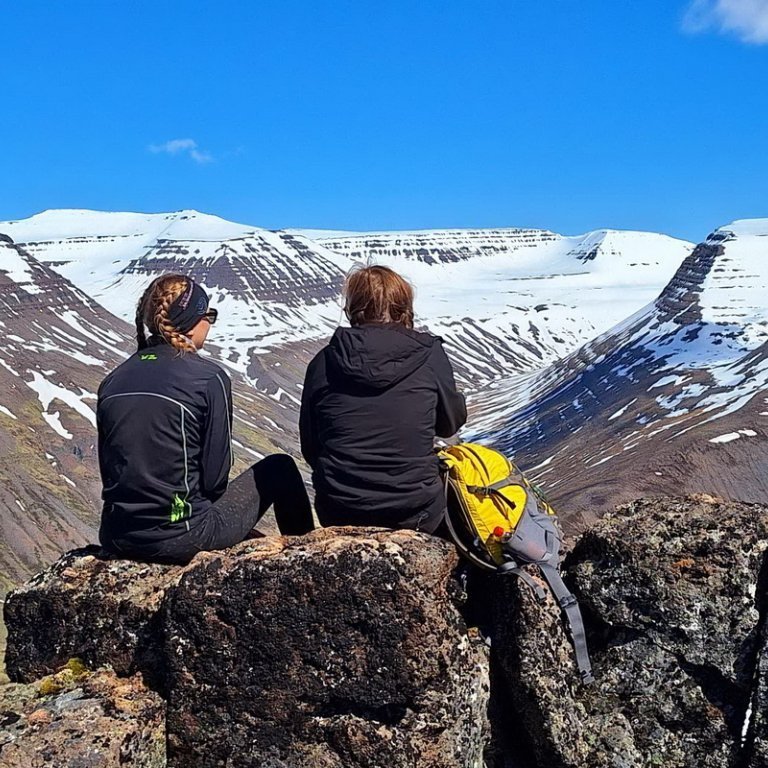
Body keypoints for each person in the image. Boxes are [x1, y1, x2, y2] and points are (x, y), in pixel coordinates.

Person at [97, 273, 313, 564]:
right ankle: (304, 560)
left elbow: (111, 470)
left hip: (116, 535)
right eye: (209, 315)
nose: (210, 323)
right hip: (182, 537)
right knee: (280, 468)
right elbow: (214, 481)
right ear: (192, 321)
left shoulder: (113, 380)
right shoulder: (209, 378)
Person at [300, 265, 466, 534]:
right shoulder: (428, 355)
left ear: (351, 308)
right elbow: (450, 425)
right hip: (416, 512)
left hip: (339, 511)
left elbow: (311, 447)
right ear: (404, 308)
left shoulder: (323, 362)